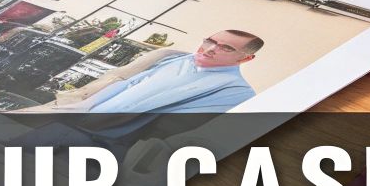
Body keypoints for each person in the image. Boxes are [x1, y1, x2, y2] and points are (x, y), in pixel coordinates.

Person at [74, 30, 263, 115]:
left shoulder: (236, 92)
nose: (210, 49)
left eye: (226, 48)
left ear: (245, 58)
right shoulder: (174, 58)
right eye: (210, 41)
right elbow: (129, 83)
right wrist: (83, 108)